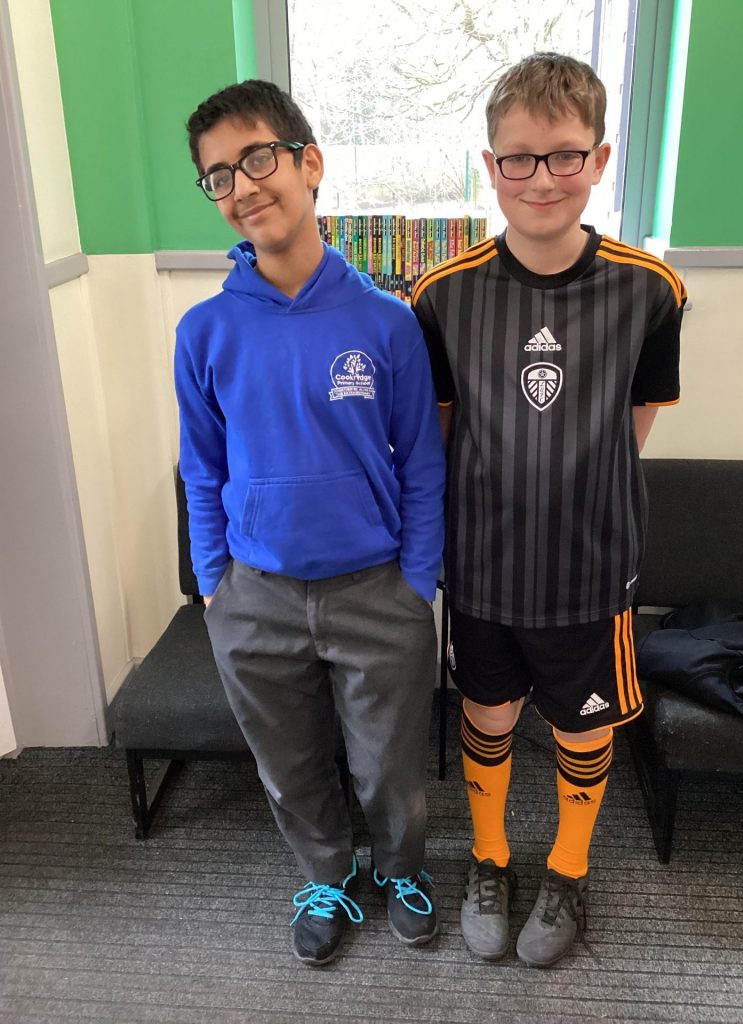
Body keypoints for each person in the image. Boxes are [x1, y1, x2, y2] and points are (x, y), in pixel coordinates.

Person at [412, 52, 686, 967]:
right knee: (487, 714)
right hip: (483, 566)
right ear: (490, 167)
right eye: (519, 158)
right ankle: (489, 858)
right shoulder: (441, 295)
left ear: (599, 160)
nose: (542, 178)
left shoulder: (651, 290)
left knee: (582, 725)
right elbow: (445, 433)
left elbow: (632, 424)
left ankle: (568, 870)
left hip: (589, 570)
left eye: (565, 155)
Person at [175, 79, 445, 967]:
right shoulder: (205, 332)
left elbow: (423, 463)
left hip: (377, 591)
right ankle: (326, 875)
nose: (243, 186)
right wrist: (214, 582)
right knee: (288, 766)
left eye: (258, 159)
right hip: (255, 596)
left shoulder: (387, 323)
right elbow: (203, 468)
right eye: (219, 176)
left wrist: (417, 580)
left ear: (309, 163)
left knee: (388, 765)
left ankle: (400, 867)